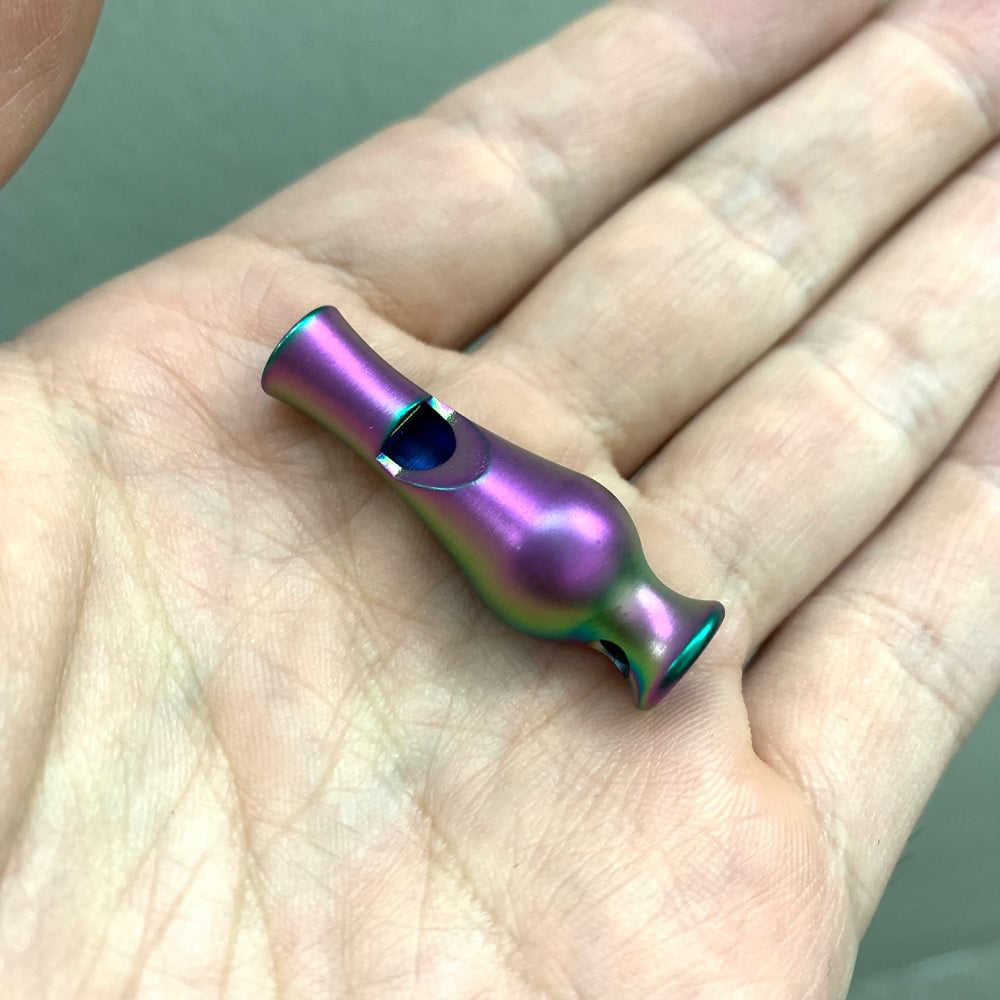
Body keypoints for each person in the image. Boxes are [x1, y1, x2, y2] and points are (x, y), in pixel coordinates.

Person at [1, 1, 997, 997]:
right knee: (432, 458)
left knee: (439, 459)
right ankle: (318, 367)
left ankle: (321, 367)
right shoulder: (575, 565)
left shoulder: (579, 566)